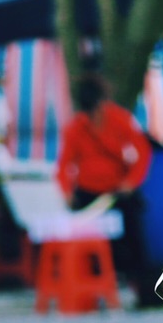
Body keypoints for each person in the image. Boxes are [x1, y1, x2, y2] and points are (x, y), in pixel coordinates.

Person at [55, 74, 153, 287]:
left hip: (118, 192)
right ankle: (93, 287)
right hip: (88, 193)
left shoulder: (120, 119)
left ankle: (143, 288)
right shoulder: (75, 127)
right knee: (90, 244)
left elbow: (143, 152)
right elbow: (63, 165)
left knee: (135, 240)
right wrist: (67, 193)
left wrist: (131, 182)